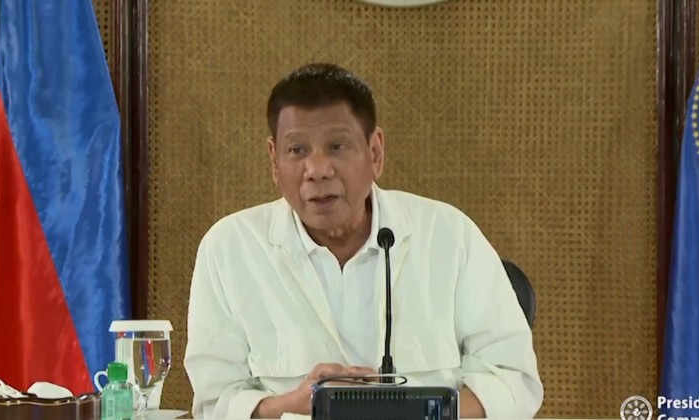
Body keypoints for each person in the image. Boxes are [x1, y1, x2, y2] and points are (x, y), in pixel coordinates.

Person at [184, 63, 543, 419]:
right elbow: (214, 403)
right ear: (274, 161)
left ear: (375, 153)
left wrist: (409, 413)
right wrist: (292, 405)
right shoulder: (229, 250)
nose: (317, 170)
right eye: (297, 150)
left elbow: (513, 383)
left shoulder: (449, 235)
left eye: (337, 146)